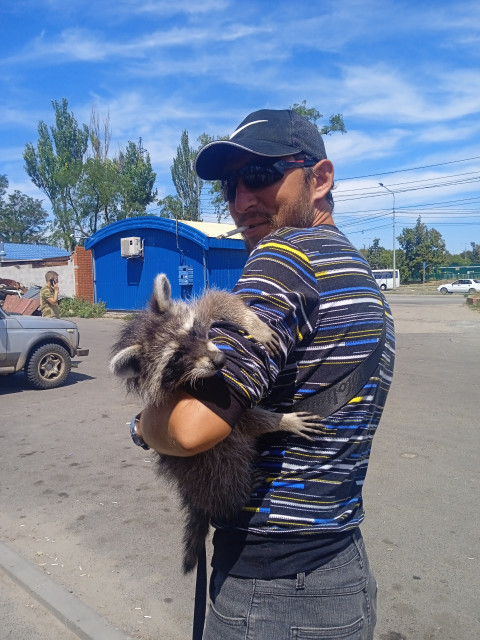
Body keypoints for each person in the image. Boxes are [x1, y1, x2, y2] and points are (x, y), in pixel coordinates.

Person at [134, 109, 395, 639]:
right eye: (231, 185)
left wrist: (140, 427)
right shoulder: (357, 272)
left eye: (260, 176)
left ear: (319, 178)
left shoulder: (284, 257)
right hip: (340, 566)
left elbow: (190, 429)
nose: (241, 200)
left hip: (274, 593)